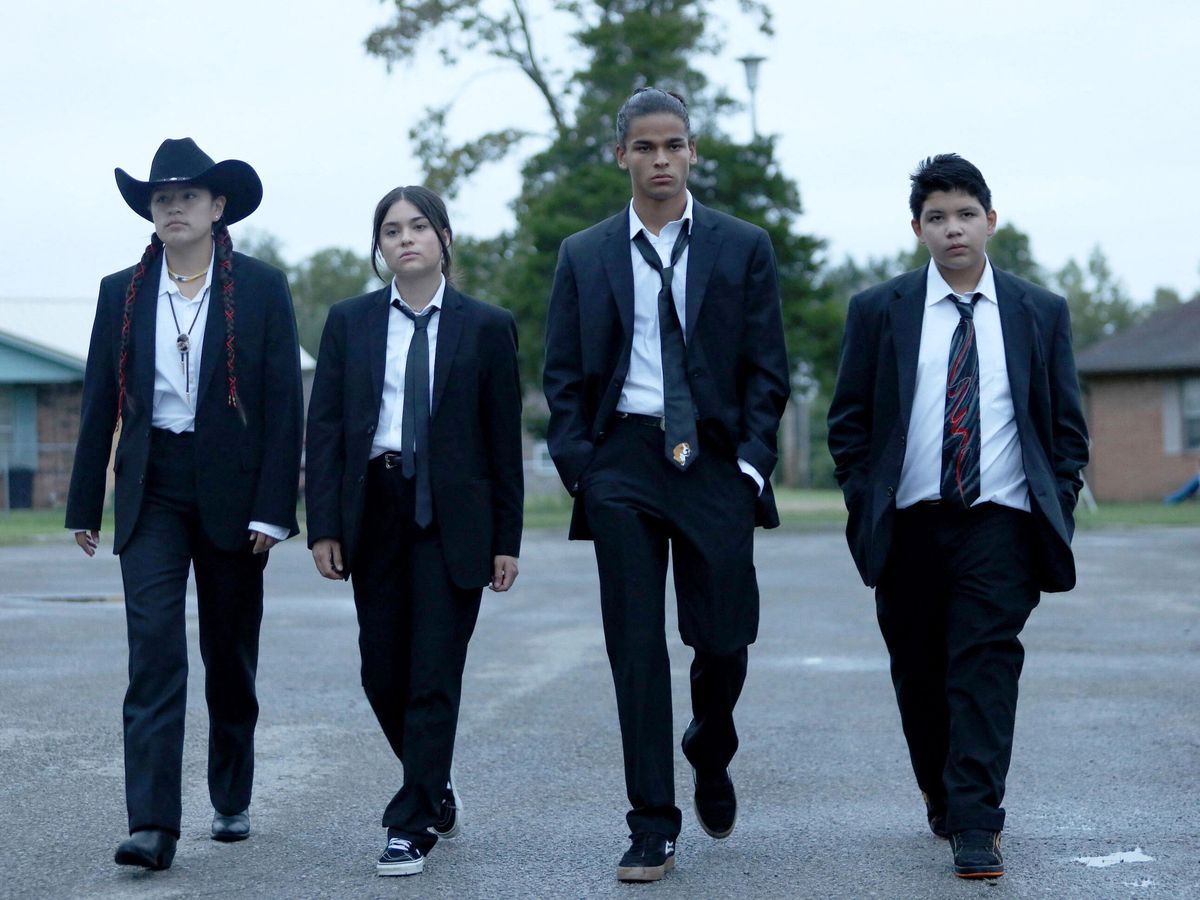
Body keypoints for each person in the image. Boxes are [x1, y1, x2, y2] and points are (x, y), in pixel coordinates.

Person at [542, 87, 789, 883]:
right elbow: (563, 376)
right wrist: (583, 463)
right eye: (644, 147)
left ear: (691, 152)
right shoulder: (585, 254)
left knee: (724, 638)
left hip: (714, 461)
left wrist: (750, 460)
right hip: (623, 460)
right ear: (621, 155)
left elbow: (766, 369)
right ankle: (651, 823)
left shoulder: (741, 245)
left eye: (673, 145)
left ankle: (709, 746)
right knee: (636, 649)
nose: (660, 160)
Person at [827, 154, 1089, 879]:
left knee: (985, 664)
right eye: (937, 218)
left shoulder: (1040, 312)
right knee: (919, 671)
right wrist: (861, 499)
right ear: (918, 229)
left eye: (965, 214)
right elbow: (848, 421)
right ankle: (942, 793)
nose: (953, 229)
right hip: (909, 523)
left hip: (1000, 521)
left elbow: (1066, 428)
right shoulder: (879, 310)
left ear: (991, 221)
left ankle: (978, 820)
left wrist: (1055, 500)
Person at [65, 138, 304, 870]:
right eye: (161, 198)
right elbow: (101, 399)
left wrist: (274, 509)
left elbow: (282, 404)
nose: (172, 207)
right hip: (153, 487)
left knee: (228, 654)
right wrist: (84, 503)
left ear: (217, 207)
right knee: (156, 653)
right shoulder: (122, 291)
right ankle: (153, 826)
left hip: (233, 490)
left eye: (187, 197)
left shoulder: (261, 288)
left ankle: (231, 793)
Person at [304, 185, 523, 877]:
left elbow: (500, 439)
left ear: (445, 239)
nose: (405, 239)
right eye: (392, 230)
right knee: (381, 668)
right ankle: (433, 778)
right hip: (378, 509)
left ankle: (412, 820)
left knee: (434, 670)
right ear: (381, 247)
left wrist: (506, 538)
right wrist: (323, 526)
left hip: (455, 518)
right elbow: (329, 428)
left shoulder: (486, 327)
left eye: (419, 227)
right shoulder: (350, 322)